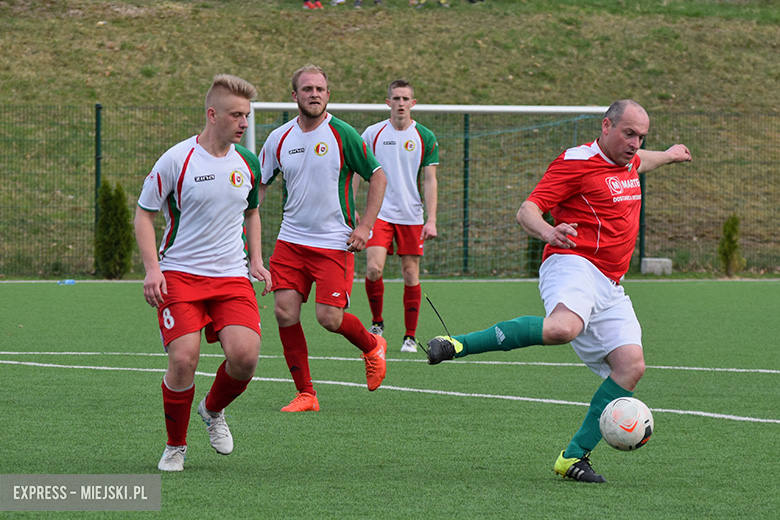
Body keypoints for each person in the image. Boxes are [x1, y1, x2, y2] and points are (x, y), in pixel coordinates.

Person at [426, 99, 692, 482]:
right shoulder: (576, 163)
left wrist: (667, 155)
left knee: (631, 366)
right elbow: (527, 210)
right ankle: (458, 344)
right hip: (572, 262)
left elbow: (640, 161)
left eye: (641, 136)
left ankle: (572, 458)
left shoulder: (628, 159)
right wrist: (550, 231)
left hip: (610, 283)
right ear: (606, 126)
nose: (635, 143)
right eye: (629, 134)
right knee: (562, 328)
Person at [135, 74, 272, 472]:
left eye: (246, 115)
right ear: (212, 115)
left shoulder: (247, 162)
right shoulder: (176, 159)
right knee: (183, 360)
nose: (243, 123)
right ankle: (175, 446)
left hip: (231, 276)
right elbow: (143, 213)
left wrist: (256, 260)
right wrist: (152, 269)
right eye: (235, 115)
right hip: (180, 275)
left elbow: (252, 212)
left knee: (245, 358)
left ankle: (212, 410)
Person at [258, 64, 389, 413]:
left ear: (328, 95)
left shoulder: (343, 134)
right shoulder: (278, 138)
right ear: (295, 96)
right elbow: (259, 186)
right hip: (290, 241)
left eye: (320, 89)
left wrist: (366, 227)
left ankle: (372, 345)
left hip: (333, 243)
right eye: (307, 89)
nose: (314, 94)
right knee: (284, 312)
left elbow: (378, 177)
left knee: (329, 318)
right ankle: (306, 394)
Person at [354, 79, 439, 353]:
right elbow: (356, 170)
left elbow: (430, 180)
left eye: (405, 99)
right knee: (373, 268)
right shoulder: (372, 133)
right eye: (396, 98)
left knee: (410, 273)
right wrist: (351, 206)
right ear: (387, 102)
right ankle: (377, 323)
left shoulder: (425, 136)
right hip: (378, 213)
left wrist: (431, 219)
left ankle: (410, 337)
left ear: (413, 103)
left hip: (411, 216)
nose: (400, 103)